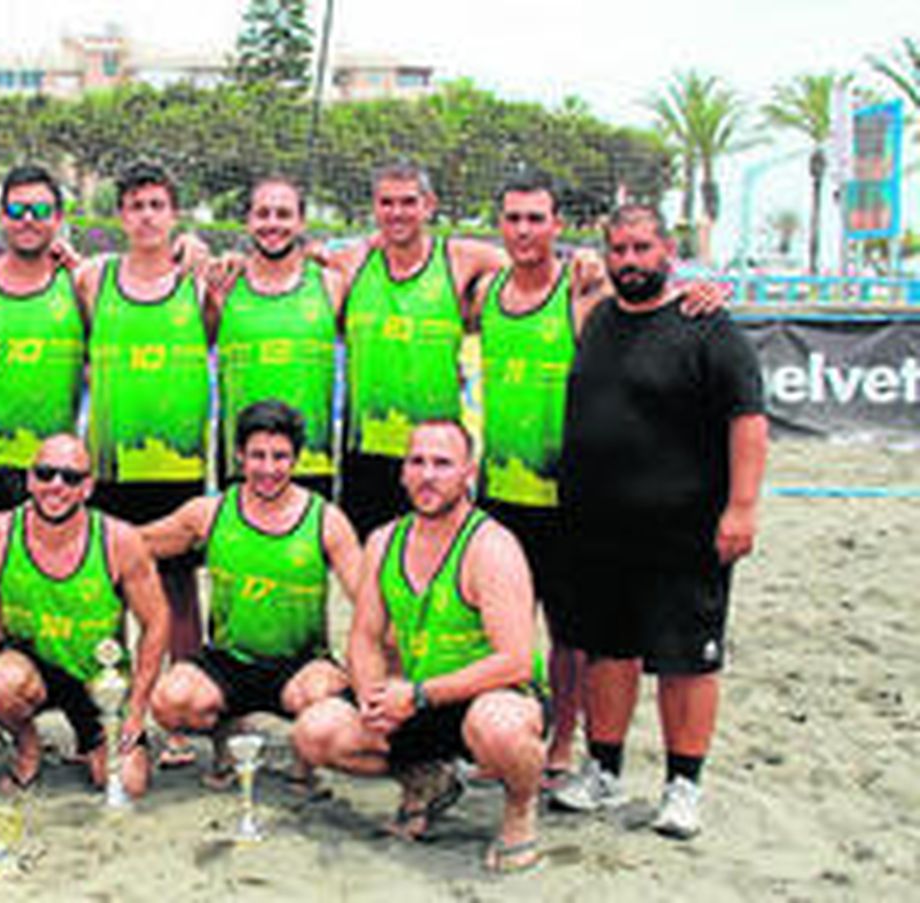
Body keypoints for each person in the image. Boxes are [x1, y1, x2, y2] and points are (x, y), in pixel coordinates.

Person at [551, 205, 767, 840]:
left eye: (642, 248)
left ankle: (683, 786)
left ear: (667, 251)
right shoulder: (596, 318)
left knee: (686, 661)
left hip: (685, 530)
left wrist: (742, 507)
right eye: (618, 249)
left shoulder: (708, 326)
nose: (630, 260)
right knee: (608, 652)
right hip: (599, 527)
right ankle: (604, 770)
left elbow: (748, 422)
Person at [293, 420, 549, 874]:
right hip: (415, 697)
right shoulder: (384, 541)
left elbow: (515, 661)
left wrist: (419, 695)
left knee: (499, 727)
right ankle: (426, 780)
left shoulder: (492, 547)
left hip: (488, 694)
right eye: (417, 462)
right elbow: (365, 636)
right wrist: (372, 700)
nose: (427, 475)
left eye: (442, 464)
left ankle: (519, 810)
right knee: (314, 732)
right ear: (403, 471)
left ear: (469, 472)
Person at [71, 162, 212, 764]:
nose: (147, 216)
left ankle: (178, 718)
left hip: (177, 469)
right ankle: (114, 715)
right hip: (111, 468)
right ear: (121, 215)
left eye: (157, 204)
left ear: (173, 213)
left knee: (179, 596)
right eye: (135, 205)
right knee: (111, 594)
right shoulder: (92, 280)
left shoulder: (201, 284)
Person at [144, 401, 360, 779]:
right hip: (228, 662)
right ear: (240, 456)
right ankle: (227, 735)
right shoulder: (209, 514)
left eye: (280, 457)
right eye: (258, 456)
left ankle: (304, 762)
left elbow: (369, 600)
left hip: (301, 664)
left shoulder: (326, 520)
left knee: (324, 698)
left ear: (296, 459)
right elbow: (134, 544)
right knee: (170, 701)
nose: (269, 469)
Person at [0, 434, 170, 796]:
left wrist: (136, 709)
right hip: (31, 670)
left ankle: (94, 745)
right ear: (29, 479)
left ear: (88, 487)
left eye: (70, 478)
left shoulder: (119, 541)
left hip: (98, 683)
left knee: (127, 785)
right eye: (45, 473)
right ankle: (28, 745)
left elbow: (156, 622)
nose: (56, 485)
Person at [0, 164, 85, 721]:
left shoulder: (80, 286)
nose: (29, 220)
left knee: (69, 587)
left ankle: (81, 704)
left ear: (59, 219)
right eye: (18, 210)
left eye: (40, 210)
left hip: (55, 472)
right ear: (1, 217)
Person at [331, 161, 506, 536]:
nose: (397, 213)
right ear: (374, 207)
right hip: (367, 452)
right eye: (387, 203)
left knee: (440, 563)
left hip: (437, 459)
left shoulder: (458, 259)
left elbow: (521, 263)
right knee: (370, 563)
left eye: (408, 202)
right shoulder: (353, 263)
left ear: (429, 205)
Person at [209, 178, 343, 496]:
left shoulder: (331, 283)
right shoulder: (223, 285)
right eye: (263, 214)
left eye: (283, 214)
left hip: (312, 463)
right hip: (241, 465)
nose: (273, 224)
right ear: (248, 221)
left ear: (301, 222)